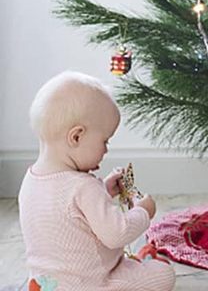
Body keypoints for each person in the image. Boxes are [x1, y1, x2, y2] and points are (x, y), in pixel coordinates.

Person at [18, 71, 175, 291]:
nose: (106, 150)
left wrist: (104, 190)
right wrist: (143, 211)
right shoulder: (83, 186)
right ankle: (142, 264)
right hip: (95, 283)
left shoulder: (31, 180)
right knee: (163, 275)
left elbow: (68, 212)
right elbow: (117, 234)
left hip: (47, 285)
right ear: (76, 137)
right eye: (105, 140)